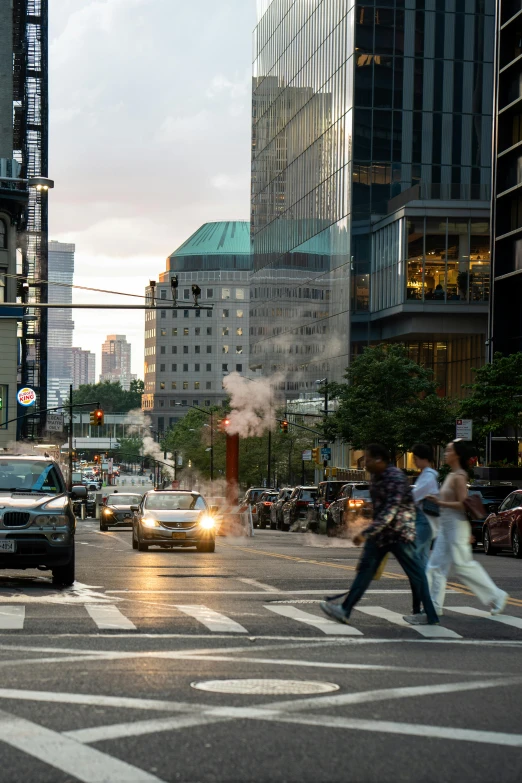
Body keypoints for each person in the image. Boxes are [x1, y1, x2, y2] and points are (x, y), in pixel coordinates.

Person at [319, 443, 439, 627]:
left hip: (400, 534)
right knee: (365, 570)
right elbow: (381, 509)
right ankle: (345, 609)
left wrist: (366, 532)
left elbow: (391, 510)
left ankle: (430, 615)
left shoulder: (395, 477)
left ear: (379, 459)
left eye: (367, 459)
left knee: (416, 574)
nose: (364, 463)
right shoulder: (376, 477)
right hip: (381, 534)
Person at [425, 440, 509, 616]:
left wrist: (439, 502)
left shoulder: (459, 476)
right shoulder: (450, 475)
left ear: (457, 455)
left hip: (456, 526)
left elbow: (464, 504)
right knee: (435, 567)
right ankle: (433, 606)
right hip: (447, 527)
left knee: (463, 567)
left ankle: (497, 595)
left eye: (448, 450)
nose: (445, 453)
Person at [411, 443, 440, 570]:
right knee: (422, 557)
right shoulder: (426, 476)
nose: (414, 462)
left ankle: (423, 585)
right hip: (426, 520)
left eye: (416, 459)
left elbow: (413, 496)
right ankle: (426, 585)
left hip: (424, 520)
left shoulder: (428, 477)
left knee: (414, 555)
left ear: (424, 459)